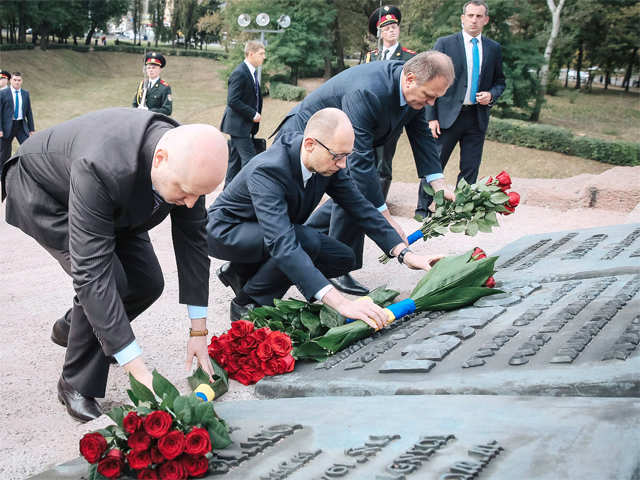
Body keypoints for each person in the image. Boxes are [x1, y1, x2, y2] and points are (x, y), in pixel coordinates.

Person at [1, 107, 228, 422]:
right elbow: (91, 273)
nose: (190, 203)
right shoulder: (101, 163)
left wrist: (198, 331)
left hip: (116, 200)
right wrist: (137, 369)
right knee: (110, 281)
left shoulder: (188, 163)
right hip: (46, 192)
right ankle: (74, 383)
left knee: (147, 282)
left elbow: (193, 243)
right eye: (185, 193)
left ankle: (73, 328)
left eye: (197, 196)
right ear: (160, 159)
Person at [209, 108, 442, 325]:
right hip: (228, 230)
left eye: (347, 156)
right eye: (338, 156)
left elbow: (359, 206)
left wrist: (404, 253)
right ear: (310, 144)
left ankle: (242, 272)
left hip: (269, 229)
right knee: (302, 241)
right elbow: (282, 242)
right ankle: (248, 302)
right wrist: (340, 303)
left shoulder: (328, 162)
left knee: (343, 258)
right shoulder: (269, 169)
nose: (343, 164)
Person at [273, 51, 455, 296]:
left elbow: (421, 134)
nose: (432, 103)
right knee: (286, 215)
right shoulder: (368, 91)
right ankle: (248, 267)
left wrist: (439, 183)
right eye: (429, 96)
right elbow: (359, 161)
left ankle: (332, 265)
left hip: (337, 148)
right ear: (410, 79)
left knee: (354, 196)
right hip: (304, 140)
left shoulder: (413, 90)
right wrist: (386, 219)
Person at [418, 0, 505, 219]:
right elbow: (429, 80)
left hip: (476, 117)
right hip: (447, 117)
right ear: (462, 18)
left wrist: (491, 95)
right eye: (470, 15)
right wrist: (431, 117)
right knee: (434, 163)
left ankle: (459, 212)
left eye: (479, 16)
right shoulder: (446, 44)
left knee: (470, 168)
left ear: (485, 20)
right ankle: (422, 209)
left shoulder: (493, 48)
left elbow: (500, 81)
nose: (474, 20)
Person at [363, 5, 430, 214]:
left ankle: (378, 207)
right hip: (369, 117)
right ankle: (363, 201)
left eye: (394, 27)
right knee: (364, 160)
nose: (391, 30)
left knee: (383, 164)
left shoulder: (410, 57)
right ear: (379, 33)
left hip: (391, 118)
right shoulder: (370, 56)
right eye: (386, 28)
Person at [220, 40, 265, 186]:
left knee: (234, 163)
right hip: (238, 127)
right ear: (251, 54)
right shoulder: (240, 72)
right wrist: (253, 114)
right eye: (261, 54)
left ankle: (226, 196)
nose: (264, 57)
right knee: (250, 161)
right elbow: (232, 100)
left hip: (242, 127)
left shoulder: (251, 72)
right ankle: (244, 195)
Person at [0, 72, 35, 171]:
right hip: (7, 126)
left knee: (28, 147)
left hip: (20, 125)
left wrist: (31, 128)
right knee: (4, 152)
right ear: (10, 81)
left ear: (22, 81)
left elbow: (29, 112)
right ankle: (2, 172)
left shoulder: (25, 94)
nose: (17, 82)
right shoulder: (3, 93)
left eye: (19, 80)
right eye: (15, 80)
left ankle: (27, 169)